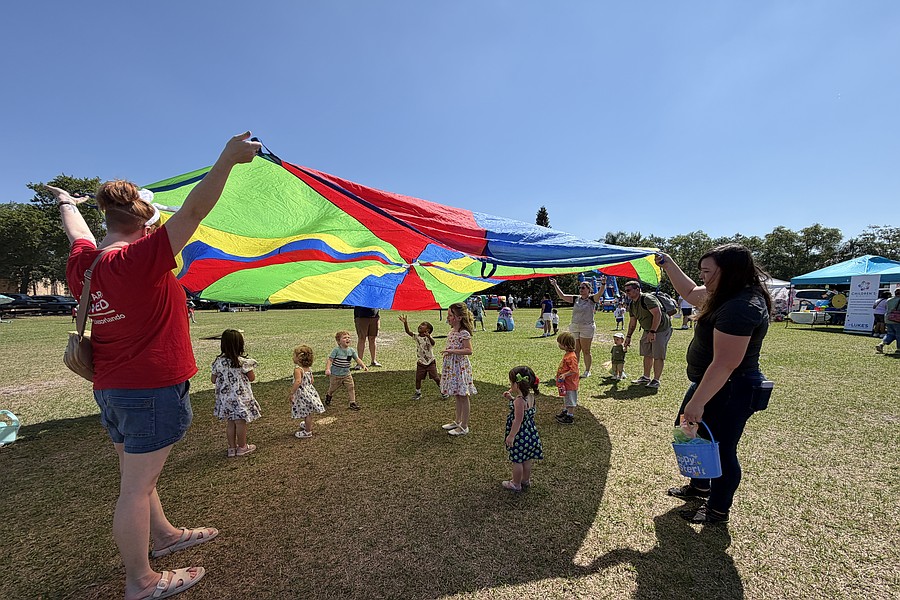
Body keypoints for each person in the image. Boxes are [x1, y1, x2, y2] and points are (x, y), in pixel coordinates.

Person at [54, 132, 259, 599]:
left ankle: (164, 536)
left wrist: (66, 201)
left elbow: (77, 233)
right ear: (146, 227)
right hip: (148, 388)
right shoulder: (140, 258)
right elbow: (194, 211)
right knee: (134, 488)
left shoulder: (85, 263)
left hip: (112, 388)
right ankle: (141, 582)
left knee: (137, 477)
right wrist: (227, 159)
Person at [656, 244, 772, 524]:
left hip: (731, 388)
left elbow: (725, 363)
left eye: (707, 272)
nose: (703, 278)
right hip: (713, 384)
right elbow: (688, 292)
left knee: (720, 448)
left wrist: (698, 402)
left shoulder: (741, 306)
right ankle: (700, 486)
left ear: (729, 272)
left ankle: (718, 509)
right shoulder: (724, 293)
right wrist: (668, 263)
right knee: (691, 434)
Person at [211, 329, 261, 457]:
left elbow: (213, 379)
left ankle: (231, 448)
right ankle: (242, 447)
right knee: (240, 422)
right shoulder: (243, 362)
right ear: (240, 344)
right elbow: (252, 378)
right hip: (241, 398)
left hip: (225, 399)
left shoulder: (218, 362)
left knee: (230, 423)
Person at [549, 276, 606, 377]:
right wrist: (555, 285)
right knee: (575, 350)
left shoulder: (592, 299)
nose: (581, 289)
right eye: (580, 287)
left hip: (587, 327)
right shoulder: (576, 298)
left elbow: (600, 293)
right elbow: (562, 296)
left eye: (583, 288)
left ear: (589, 289)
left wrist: (603, 283)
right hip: (575, 326)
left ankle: (587, 371)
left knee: (586, 350)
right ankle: (574, 369)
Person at [623, 281, 672, 389]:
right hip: (648, 330)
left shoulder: (648, 299)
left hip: (660, 329)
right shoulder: (632, 304)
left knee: (658, 354)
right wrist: (628, 336)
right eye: (626, 291)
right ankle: (646, 377)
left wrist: (653, 332)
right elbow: (632, 322)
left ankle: (656, 380)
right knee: (647, 353)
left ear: (637, 289)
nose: (627, 293)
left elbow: (657, 314)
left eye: (628, 290)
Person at [502, 365, 544, 491]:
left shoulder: (519, 401)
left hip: (520, 435)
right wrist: (511, 398)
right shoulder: (530, 397)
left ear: (517, 384)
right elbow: (524, 411)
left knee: (517, 460)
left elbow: (518, 420)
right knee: (527, 459)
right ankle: (525, 480)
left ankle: (516, 483)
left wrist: (511, 436)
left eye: (511, 383)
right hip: (530, 433)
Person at [440, 302, 477, 436]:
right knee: (457, 394)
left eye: (450, 315)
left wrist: (452, 351)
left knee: (463, 396)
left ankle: (464, 426)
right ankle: (458, 421)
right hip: (453, 367)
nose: (448, 318)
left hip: (460, 367)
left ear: (459, 317)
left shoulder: (463, 333)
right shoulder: (452, 331)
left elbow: (469, 350)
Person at [398, 314, 442, 399]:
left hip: (430, 362)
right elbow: (408, 332)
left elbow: (433, 343)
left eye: (423, 325)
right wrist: (405, 323)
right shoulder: (417, 336)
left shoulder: (428, 337)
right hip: (421, 362)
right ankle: (418, 393)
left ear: (427, 330)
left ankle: (443, 391)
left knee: (436, 378)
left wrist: (429, 337)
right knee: (418, 378)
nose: (420, 326)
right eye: (420, 324)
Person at [289, 345, 326, 439]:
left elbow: (298, 381)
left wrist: (292, 392)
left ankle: (308, 431)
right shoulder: (308, 368)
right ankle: (306, 424)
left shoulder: (298, 370)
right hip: (309, 391)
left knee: (306, 413)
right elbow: (312, 380)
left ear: (298, 358)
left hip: (302, 393)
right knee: (307, 411)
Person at [325, 330, 367, 410]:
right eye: (344, 338)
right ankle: (329, 395)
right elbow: (330, 360)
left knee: (351, 387)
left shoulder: (351, 350)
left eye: (348, 337)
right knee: (333, 388)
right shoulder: (336, 350)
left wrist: (363, 365)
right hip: (336, 375)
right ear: (338, 341)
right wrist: (328, 369)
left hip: (347, 374)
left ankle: (352, 403)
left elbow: (357, 359)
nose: (347, 339)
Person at [554, 332, 580, 425]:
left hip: (570, 383)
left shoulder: (571, 357)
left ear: (565, 345)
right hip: (566, 383)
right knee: (566, 398)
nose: (559, 345)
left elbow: (574, 370)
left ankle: (570, 416)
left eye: (560, 343)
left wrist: (565, 375)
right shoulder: (568, 354)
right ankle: (566, 411)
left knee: (570, 399)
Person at [875, 289, 900, 353]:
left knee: (890, 334)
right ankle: (899, 349)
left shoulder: (889, 300)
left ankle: (881, 344)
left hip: (888, 319)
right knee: (898, 334)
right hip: (897, 319)